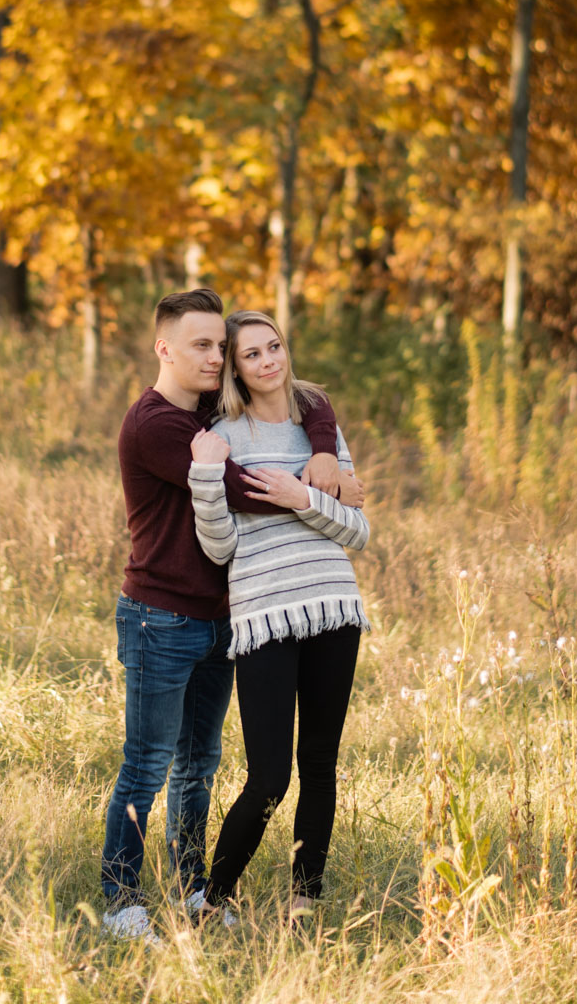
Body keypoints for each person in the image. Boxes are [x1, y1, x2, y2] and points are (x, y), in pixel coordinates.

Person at [100, 287, 363, 941]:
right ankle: (120, 900)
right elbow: (242, 496)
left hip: (220, 615)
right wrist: (324, 490)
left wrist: (324, 451)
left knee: (199, 763)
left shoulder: (216, 413)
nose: (218, 357)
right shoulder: (163, 425)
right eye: (205, 346)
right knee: (148, 762)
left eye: (222, 346)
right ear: (164, 348)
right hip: (161, 615)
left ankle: (194, 887)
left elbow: (304, 404)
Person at [187, 309, 370, 921]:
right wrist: (208, 479)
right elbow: (219, 547)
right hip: (265, 616)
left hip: (332, 609)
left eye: (276, 347)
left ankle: (305, 903)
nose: (269, 362)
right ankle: (214, 901)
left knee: (320, 762)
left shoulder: (318, 429)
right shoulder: (222, 439)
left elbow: (357, 529)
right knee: (268, 776)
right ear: (235, 369)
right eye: (253, 355)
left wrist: (301, 497)